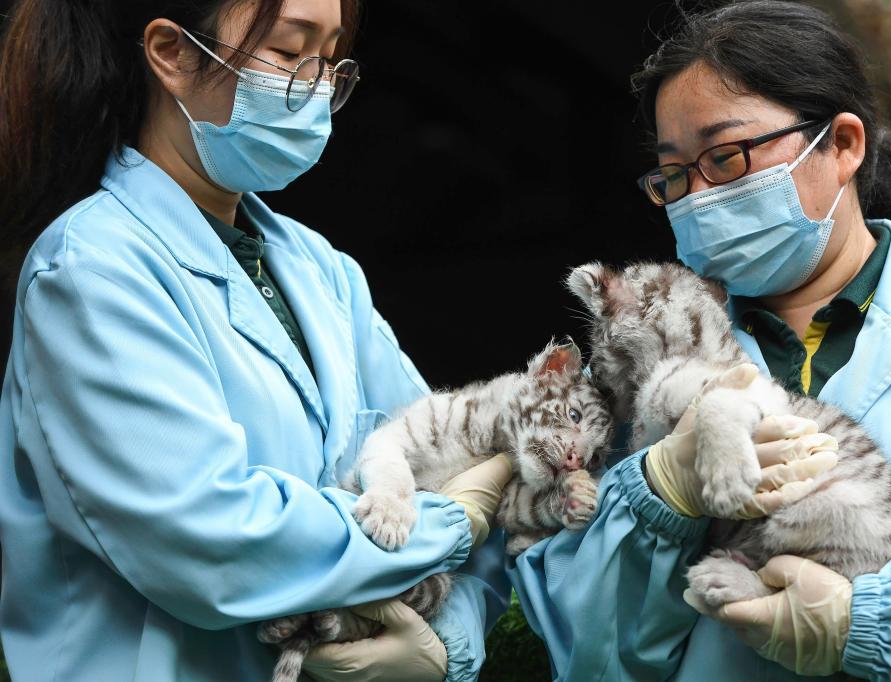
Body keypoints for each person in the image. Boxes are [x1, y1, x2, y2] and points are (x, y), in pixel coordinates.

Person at [0, 1, 517, 680]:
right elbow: (207, 536)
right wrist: (445, 524)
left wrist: (447, 646)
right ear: (172, 54)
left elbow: (461, 460)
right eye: (285, 52)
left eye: (329, 60)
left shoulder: (323, 271)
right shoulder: (91, 267)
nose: (317, 87)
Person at [508, 2, 891, 680]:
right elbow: (588, 652)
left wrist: (865, 621)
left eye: (724, 157)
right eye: (675, 175)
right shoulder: (639, 377)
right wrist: (661, 497)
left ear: (841, 144)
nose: (697, 197)